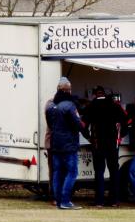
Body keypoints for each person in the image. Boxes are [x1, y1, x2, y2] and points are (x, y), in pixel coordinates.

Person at [82, 86, 128, 207]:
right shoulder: (115, 105)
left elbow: (82, 125)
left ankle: (99, 201)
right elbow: (126, 122)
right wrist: (120, 136)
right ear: (106, 94)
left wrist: (89, 137)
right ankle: (114, 200)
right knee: (114, 171)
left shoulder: (91, 106)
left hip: (98, 144)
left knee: (99, 172)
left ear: (95, 95)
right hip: (113, 144)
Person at [45, 77, 86, 210]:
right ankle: (65, 200)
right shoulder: (70, 106)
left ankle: (58, 201)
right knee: (72, 172)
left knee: (57, 172)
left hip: (55, 144)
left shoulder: (50, 106)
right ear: (69, 90)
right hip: (69, 144)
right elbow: (79, 125)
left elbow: (50, 124)